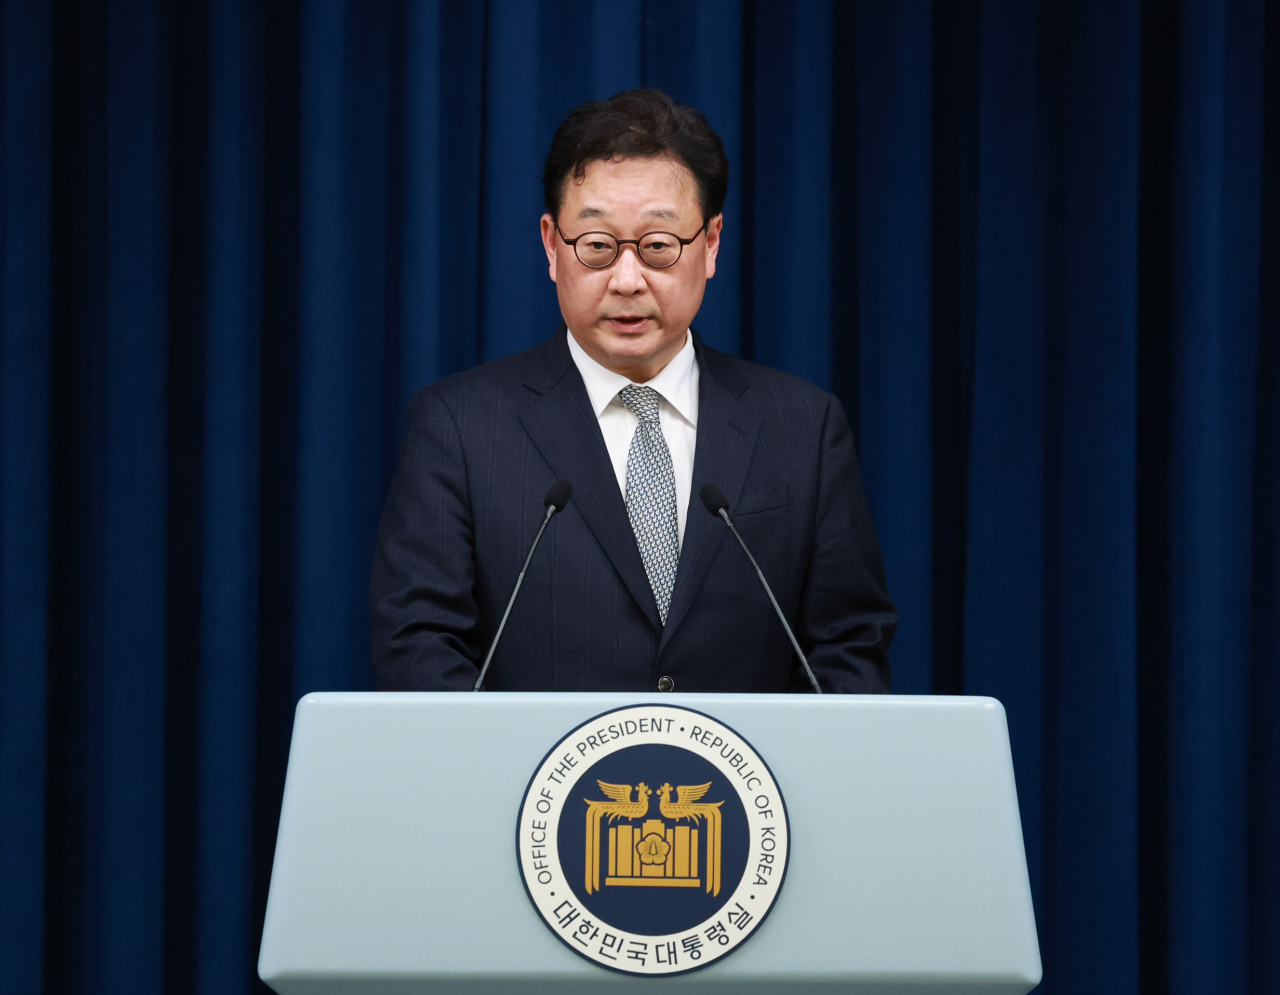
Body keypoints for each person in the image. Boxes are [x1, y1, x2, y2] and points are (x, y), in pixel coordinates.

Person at [370, 89, 896, 693]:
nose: (626, 280)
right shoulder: (460, 427)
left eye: (657, 247)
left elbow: (848, 646)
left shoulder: (803, 426)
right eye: (596, 247)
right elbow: (419, 645)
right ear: (550, 245)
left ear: (712, 244)